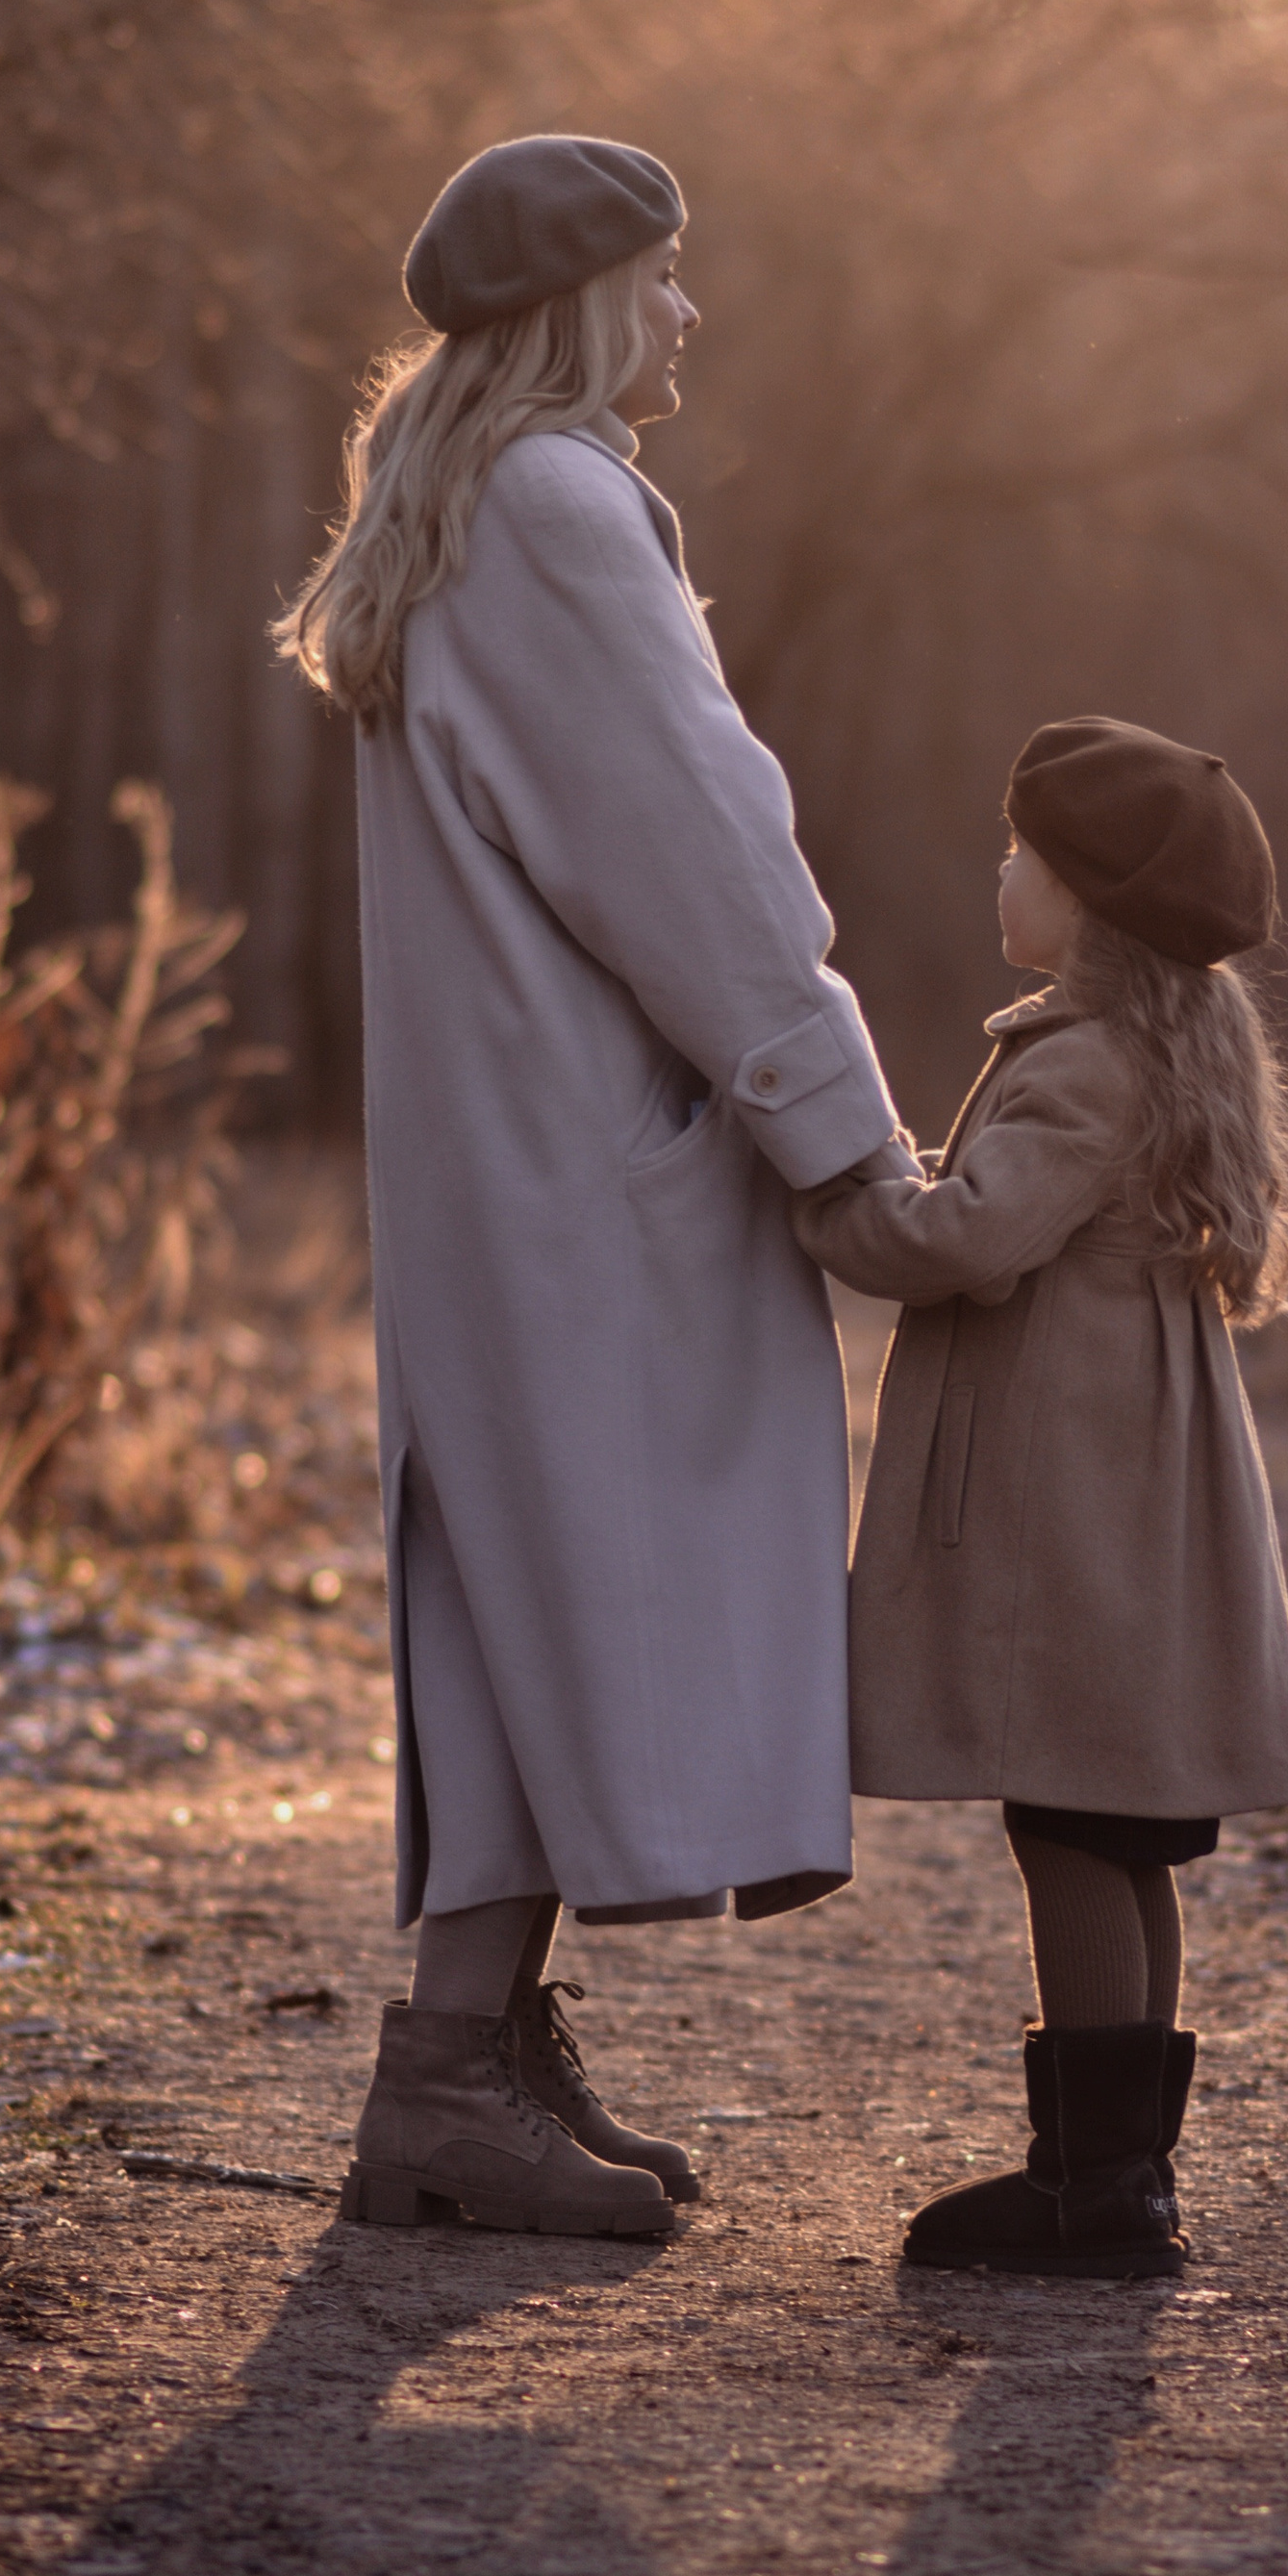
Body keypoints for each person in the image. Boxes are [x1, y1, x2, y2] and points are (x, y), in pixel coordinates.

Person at [276, 134, 914, 2242]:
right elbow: (695, 851)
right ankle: (453, 2072)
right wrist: (836, 1131)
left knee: (509, 1586)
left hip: (511, 1166)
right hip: (593, 1165)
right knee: (574, 1578)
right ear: (580, 301)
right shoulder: (551, 512)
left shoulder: (457, 505)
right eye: (664, 275)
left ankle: (469, 2060)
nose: (690, 313)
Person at [791, 719, 1288, 2280]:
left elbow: (962, 1241)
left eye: (1024, 851)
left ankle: (1093, 2192)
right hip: (1133, 1507)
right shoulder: (1151, 1056)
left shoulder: (1083, 1068)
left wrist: (823, 1189)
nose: (1002, 870)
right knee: (1124, 1829)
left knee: (1079, 1823)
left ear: (1090, 901)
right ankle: (1122, 2173)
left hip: (1080, 1518)